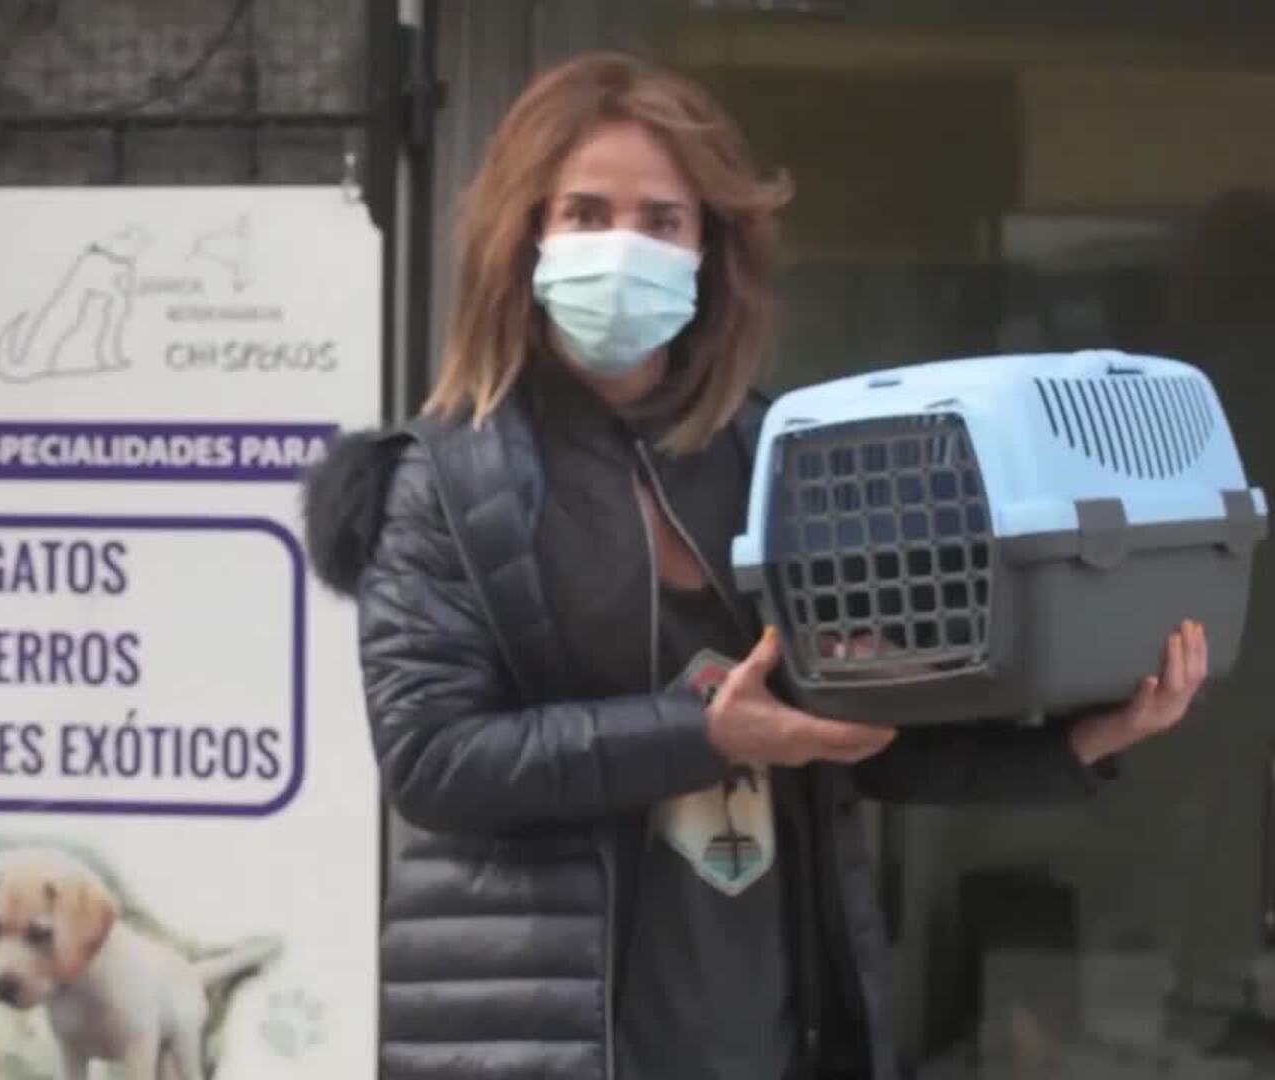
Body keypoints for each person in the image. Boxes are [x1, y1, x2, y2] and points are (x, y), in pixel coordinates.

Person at [301, 51, 1208, 1080]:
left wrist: (1087, 738)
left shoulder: (777, 457)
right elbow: (434, 762)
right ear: (525, 239)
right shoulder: (443, 483)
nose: (623, 248)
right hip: (550, 1040)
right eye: (587, 214)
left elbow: (858, 733)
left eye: (662, 221)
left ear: (709, 250)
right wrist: (706, 733)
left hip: (765, 1023)